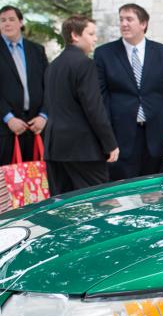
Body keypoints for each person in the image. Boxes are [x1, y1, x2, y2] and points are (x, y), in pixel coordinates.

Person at [94, 3, 163, 181]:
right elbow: (101, 99)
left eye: (129, 19)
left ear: (143, 24)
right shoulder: (104, 54)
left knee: (154, 190)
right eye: (121, 20)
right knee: (123, 191)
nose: (124, 24)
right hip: (121, 136)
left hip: (156, 135)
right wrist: (107, 138)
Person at [44, 15, 120, 194]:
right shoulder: (85, 64)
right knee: (99, 202)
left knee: (61, 207)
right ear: (75, 35)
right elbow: (94, 108)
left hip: (55, 148)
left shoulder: (53, 66)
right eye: (91, 33)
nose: (95, 38)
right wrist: (110, 143)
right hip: (83, 150)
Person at [0, 5, 49, 167]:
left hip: (36, 126)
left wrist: (44, 115)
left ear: (21, 22)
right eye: (2, 20)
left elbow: (50, 86)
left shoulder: (37, 50)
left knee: (39, 181)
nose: (7, 24)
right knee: (9, 183)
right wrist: (9, 118)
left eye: (11, 19)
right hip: (7, 128)